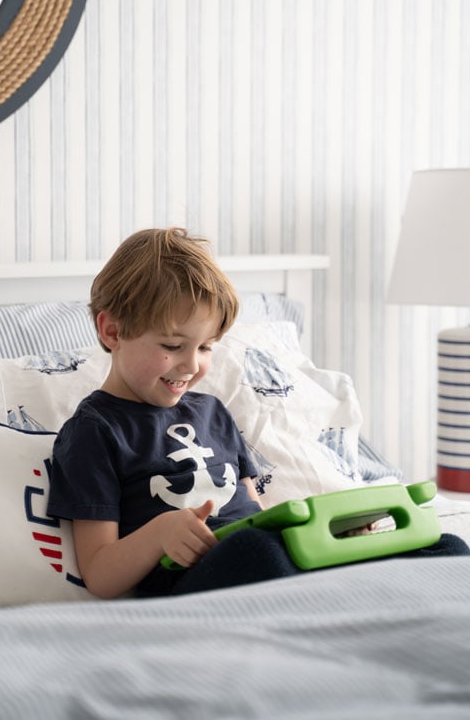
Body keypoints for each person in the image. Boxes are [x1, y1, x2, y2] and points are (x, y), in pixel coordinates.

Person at [47, 227, 469, 598]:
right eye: (173, 346)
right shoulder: (94, 431)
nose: (192, 365)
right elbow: (100, 574)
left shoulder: (212, 412)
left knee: (445, 545)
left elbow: (253, 508)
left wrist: (337, 536)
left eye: (207, 347)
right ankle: (349, 590)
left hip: (268, 554)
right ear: (112, 331)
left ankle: (360, 584)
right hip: (193, 580)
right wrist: (161, 534)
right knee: (258, 552)